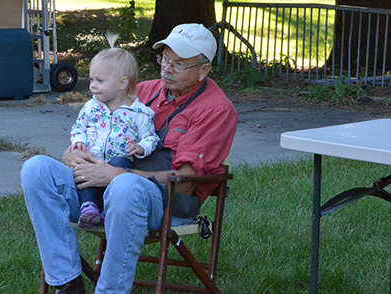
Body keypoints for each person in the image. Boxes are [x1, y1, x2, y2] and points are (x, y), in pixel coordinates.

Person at [21, 23, 237, 294]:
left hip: (164, 204)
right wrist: (74, 155)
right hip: (98, 196)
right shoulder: (142, 92)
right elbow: (91, 128)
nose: (167, 69)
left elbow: (183, 183)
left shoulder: (216, 110)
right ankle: (67, 283)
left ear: (204, 70)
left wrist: (117, 175)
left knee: (124, 187)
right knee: (36, 169)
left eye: (179, 64)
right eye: (165, 59)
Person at [68, 33, 159, 229]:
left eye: (100, 80)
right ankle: (88, 206)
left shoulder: (139, 112)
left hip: (118, 160)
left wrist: (140, 148)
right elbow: (78, 126)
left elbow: (151, 137)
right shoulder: (91, 107)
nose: (92, 85)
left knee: (119, 170)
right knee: (83, 168)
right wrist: (78, 140)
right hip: (93, 156)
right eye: (91, 79)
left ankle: (108, 209)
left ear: (122, 83)